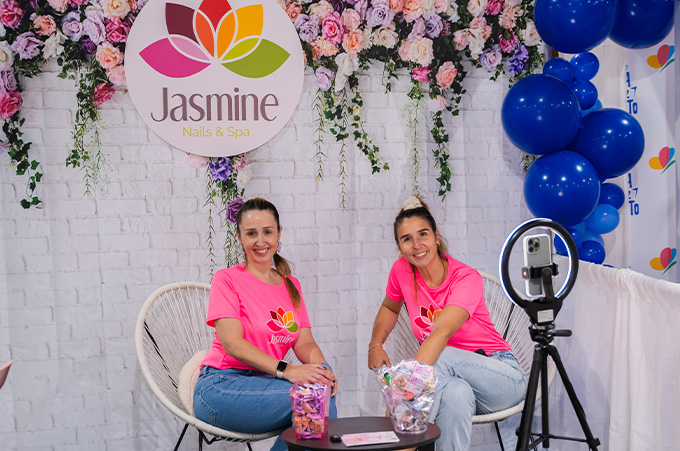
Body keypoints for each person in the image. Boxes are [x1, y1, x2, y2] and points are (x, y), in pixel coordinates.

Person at [368, 196, 526, 451]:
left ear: (437, 237)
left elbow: (440, 333)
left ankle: (399, 445)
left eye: (423, 235)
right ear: (399, 247)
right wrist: (375, 344)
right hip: (456, 379)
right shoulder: (401, 271)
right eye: (407, 239)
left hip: (502, 378)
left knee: (440, 353)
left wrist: (398, 402)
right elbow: (389, 306)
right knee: (456, 394)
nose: (417, 245)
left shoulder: (465, 278)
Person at [193, 197, 337, 451]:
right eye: (251, 234)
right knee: (313, 401)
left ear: (279, 233)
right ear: (239, 236)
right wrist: (287, 370)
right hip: (221, 387)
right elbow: (232, 343)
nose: (260, 242)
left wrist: (323, 370)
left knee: (321, 395)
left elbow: (305, 342)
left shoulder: (291, 286)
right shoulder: (226, 280)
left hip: (265, 384)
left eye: (268, 232)